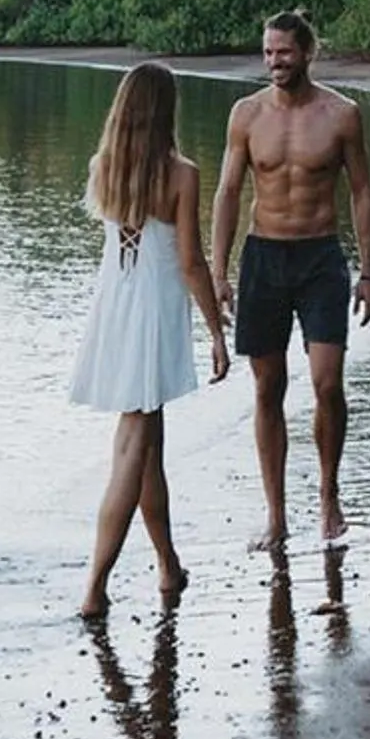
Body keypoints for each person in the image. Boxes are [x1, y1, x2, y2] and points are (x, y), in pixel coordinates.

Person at [211, 10, 370, 552]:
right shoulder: (246, 115)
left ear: (308, 52)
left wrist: (369, 271)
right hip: (263, 257)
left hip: (321, 260)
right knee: (268, 388)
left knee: (327, 383)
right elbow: (228, 193)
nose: (274, 62)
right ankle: (276, 515)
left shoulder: (342, 114)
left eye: (283, 52)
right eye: (267, 53)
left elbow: (361, 192)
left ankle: (329, 491)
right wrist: (219, 271)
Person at [67, 60, 229, 620]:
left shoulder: (103, 166)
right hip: (153, 313)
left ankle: (168, 565)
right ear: (166, 110)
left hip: (113, 309)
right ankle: (94, 587)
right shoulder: (180, 173)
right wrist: (215, 329)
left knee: (149, 444)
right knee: (133, 449)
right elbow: (189, 262)